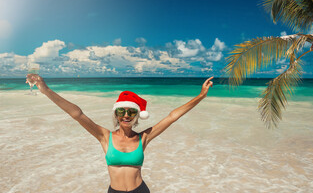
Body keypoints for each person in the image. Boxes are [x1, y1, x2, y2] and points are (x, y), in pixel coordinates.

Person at [26, 74, 213, 193]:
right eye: (121, 111)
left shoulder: (143, 138)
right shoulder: (104, 136)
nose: (126, 115)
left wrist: (201, 96)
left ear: (136, 116)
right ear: (116, 114)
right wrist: (46, 90)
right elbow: (77, 114)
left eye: (131, 112)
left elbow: (172, 117)